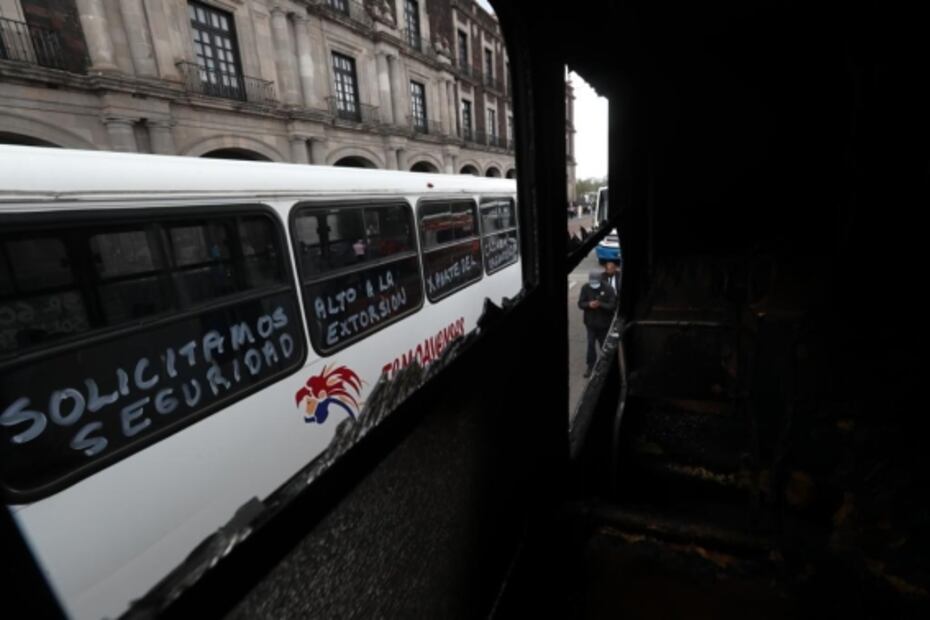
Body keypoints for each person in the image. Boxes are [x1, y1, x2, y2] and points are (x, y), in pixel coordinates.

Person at [578, 268, 616, 378]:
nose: (593, 285)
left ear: (600, 280)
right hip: (590, 323)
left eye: (596, 282)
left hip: (604, 324)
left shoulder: (608, 289)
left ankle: (605, 366)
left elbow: (612, 305)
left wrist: (600, 304)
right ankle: (590, 366)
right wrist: (589, 304)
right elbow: (580, 303)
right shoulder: (585, 287)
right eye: (592, 282)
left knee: (604, 345)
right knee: (590, 344)